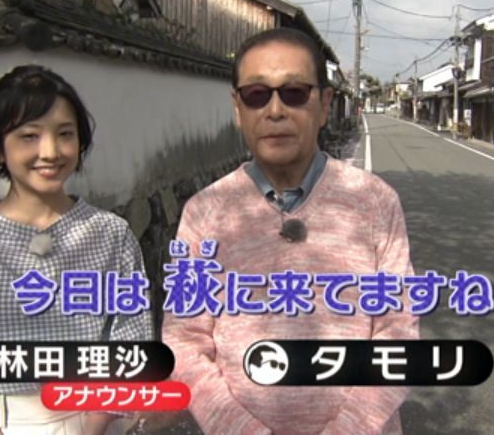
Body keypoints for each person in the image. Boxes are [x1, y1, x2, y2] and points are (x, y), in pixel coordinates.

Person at [162, 28, 419, 434]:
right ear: (237, 107)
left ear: (325, 104)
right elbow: (184, 342)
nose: (275, 110)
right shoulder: (204, 212)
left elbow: (398, 333)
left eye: (295, 92)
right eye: (256, 95)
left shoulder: (375, 202)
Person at [0, 65, 153, 435]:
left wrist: (95, 425)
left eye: (65, 134)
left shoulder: (110, 235)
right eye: (29, 136)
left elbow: (131, 338)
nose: (50, 152)